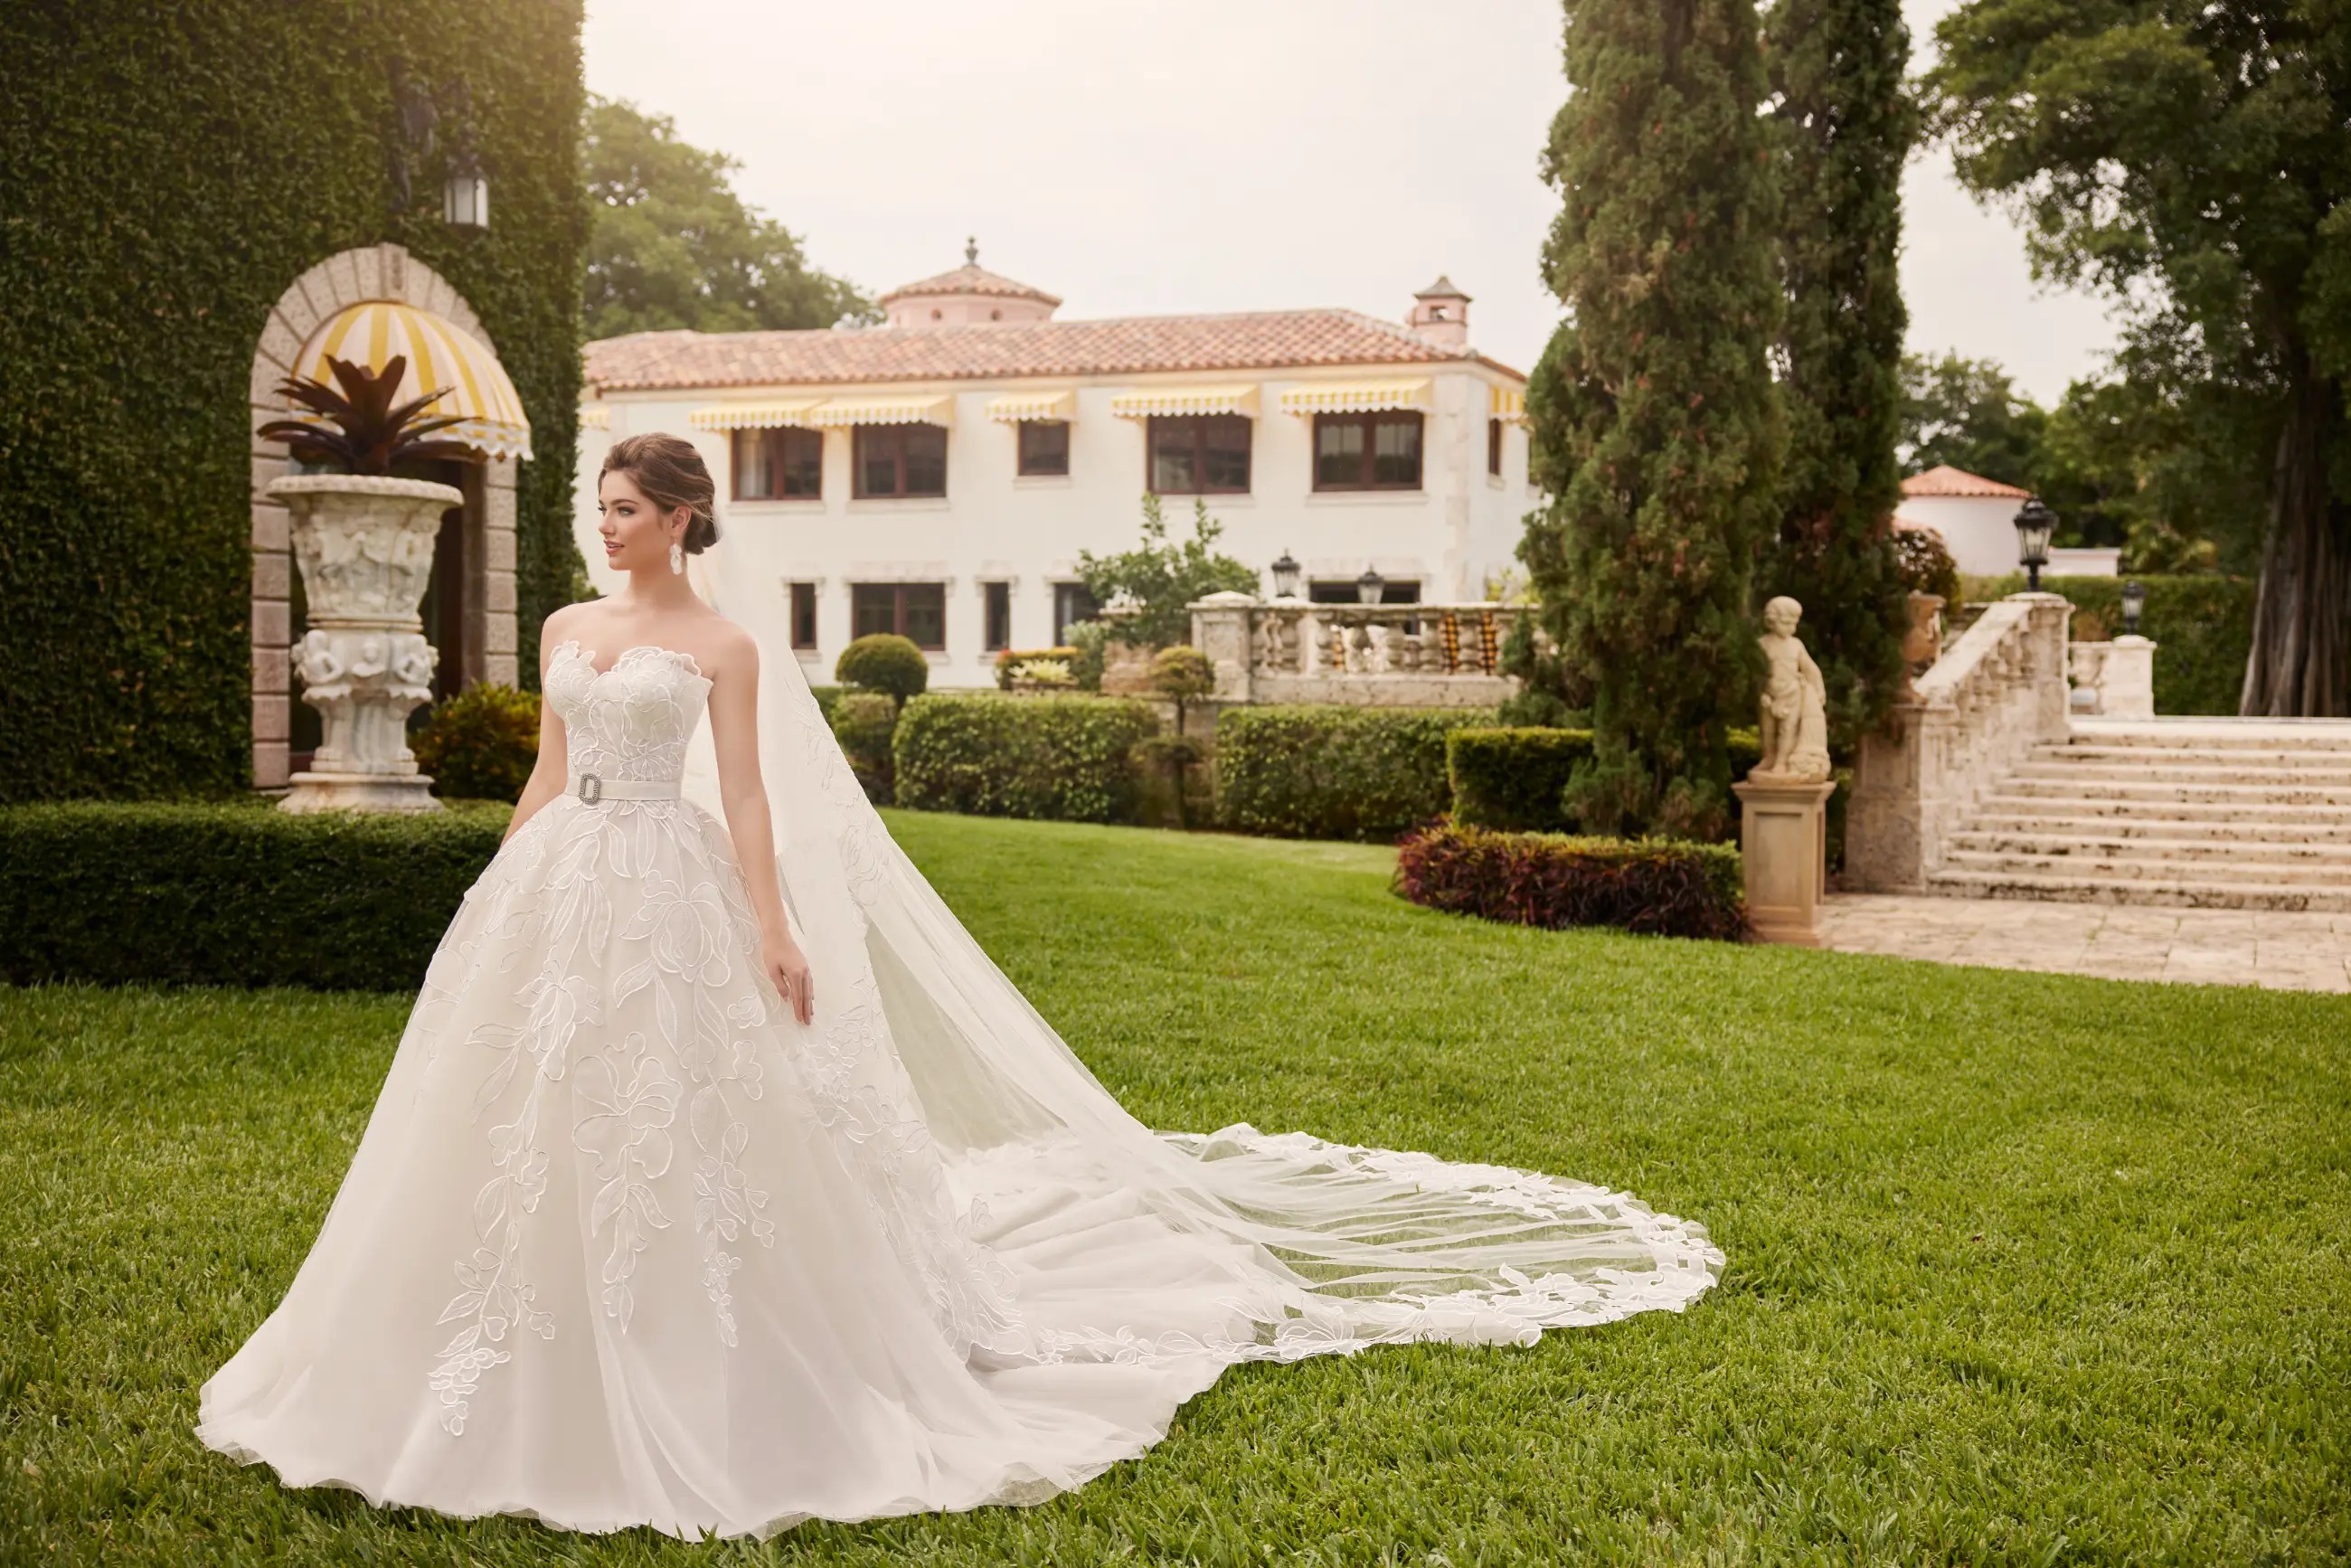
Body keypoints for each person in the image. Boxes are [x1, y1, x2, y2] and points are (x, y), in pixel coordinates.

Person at [198, 433, 1721, 1540]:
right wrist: (494, 883)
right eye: (598, 509)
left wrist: (775, 924)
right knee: (523, 1111)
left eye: (626, 510)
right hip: (560, 888)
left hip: (674, 888)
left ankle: (708, 1344)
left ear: (680, 520)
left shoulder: (723, 644)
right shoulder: (566, 628)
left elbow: (743, 802)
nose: (607, 531)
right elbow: (546, 768)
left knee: (682, 1110)